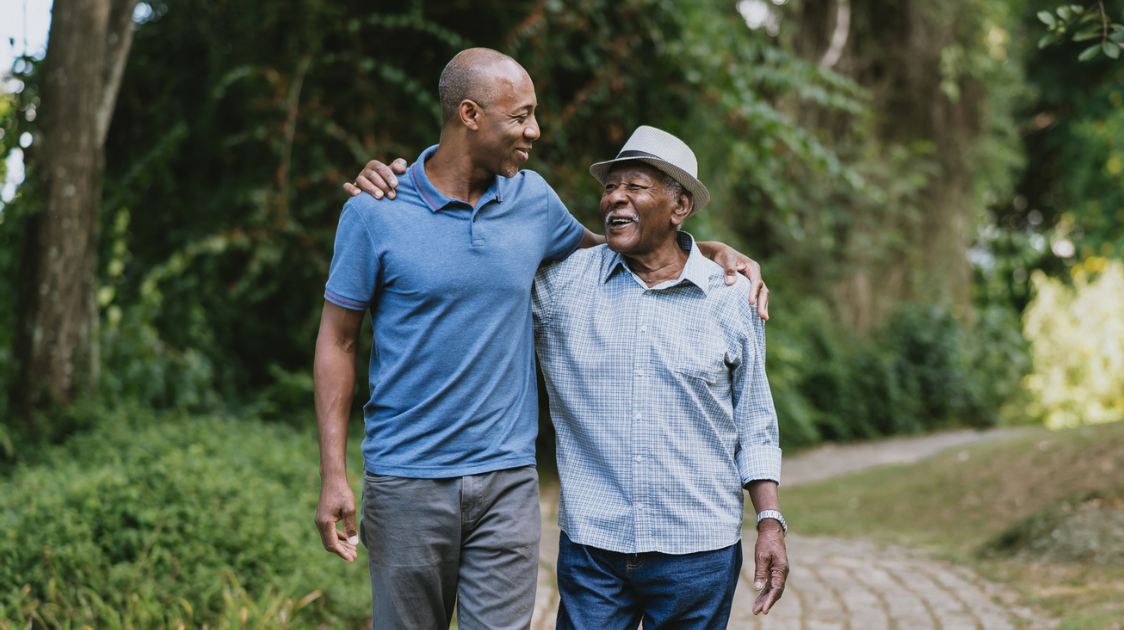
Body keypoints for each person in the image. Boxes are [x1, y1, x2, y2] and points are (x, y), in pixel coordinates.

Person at [314, 48, 768, 630]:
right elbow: (338, 341)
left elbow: (619, 249)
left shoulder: (532, 200)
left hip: (507, 481)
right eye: (521, 116)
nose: (534, 130)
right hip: (405, 480)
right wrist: (332, 473)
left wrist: (707, 252)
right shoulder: (376, 211)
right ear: (470, 114)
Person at [532, 126, 787, 629]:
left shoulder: (731, 298)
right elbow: (473, 273)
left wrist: (770, 520)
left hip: (699, 551)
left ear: (680, 206)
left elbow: (756, 423)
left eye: (636, 186)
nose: (615, 198)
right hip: (593, 549)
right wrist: (405, 191)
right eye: (610, 187)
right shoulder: (562, 286)